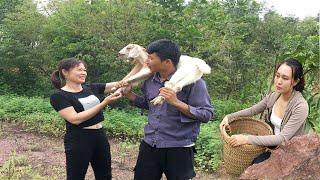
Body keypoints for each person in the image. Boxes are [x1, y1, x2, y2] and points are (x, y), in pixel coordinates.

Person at [121, 39, 214, 180]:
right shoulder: (150, 80)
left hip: (179, 148)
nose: (146, 62)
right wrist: (130, 95)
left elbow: (206, 114)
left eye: (151, 58)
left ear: (167, 62)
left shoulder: (194, 82)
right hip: (150, 144)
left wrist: (176, 102)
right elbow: (150, 105)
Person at [220, 58, 309, 163]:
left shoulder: (300, 106)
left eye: (285, 78)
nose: (279, 81)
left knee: (255, 164)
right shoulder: (274, 96)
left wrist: (246, 138)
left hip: (289, 152)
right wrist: (229, 117)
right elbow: (252, 110)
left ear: (295, 81)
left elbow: (283, 138)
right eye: (277, 76)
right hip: (272, 147)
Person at [50, 58, 122, 180]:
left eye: (84, 70)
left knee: (105, 175)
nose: (83, 73)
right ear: (65, 72)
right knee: (76, 176)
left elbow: (121, 83)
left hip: (100, 136)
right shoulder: (59, 96)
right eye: (79, 70)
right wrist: (104, 103)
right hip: (79, 139)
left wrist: (140, 64)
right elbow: (75, 119)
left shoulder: (90, 88)